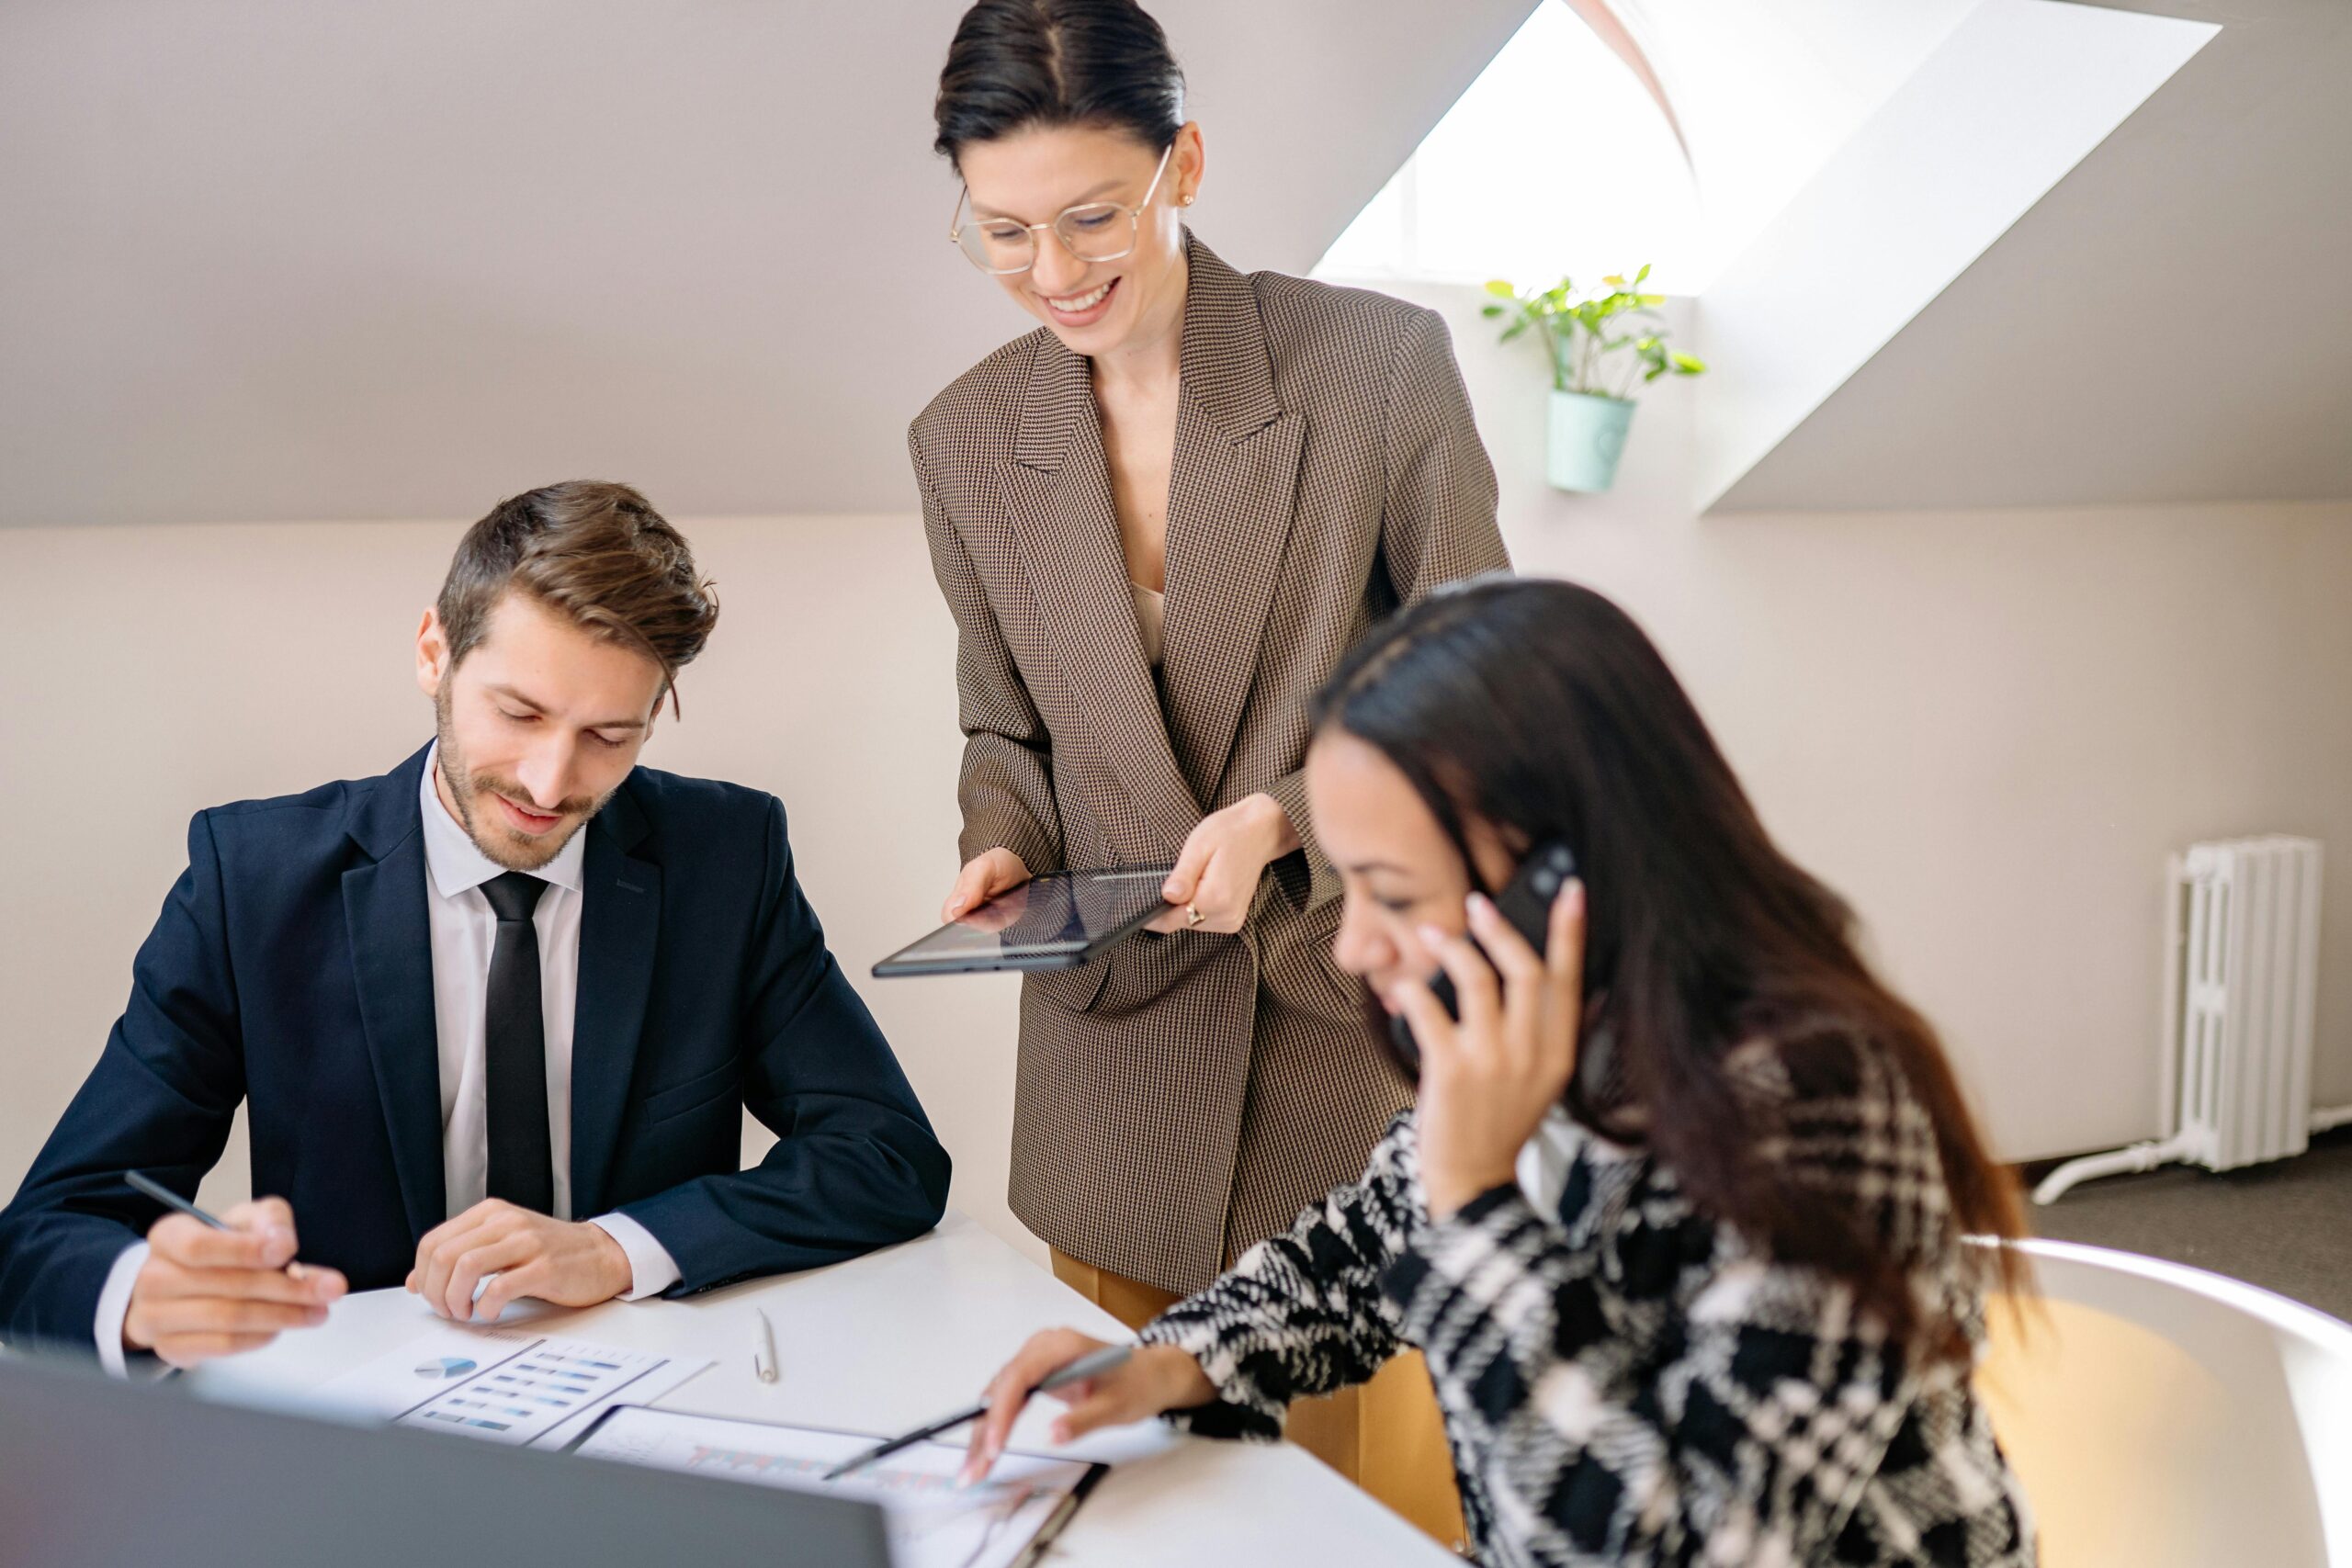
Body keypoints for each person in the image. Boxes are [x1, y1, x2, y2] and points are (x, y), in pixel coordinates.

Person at [963, 579, 2039, 1567]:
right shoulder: (1533, 1032)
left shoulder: (1812, 1106)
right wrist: (1167, 1364)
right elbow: (1359, 1253)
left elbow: (1689, 1554)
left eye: (1391, 892)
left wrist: (1476, 1203)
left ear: (1564, 880)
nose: (1354, 947)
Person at [910, 0, 1508, 1535]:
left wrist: (1291, 819)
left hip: (1345, 1023)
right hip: (1117, 1056)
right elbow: (1005, 725)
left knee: (1379, 1516)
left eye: (1092, 216)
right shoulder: (962, 439)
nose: (1055, 271)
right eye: (1003, 231)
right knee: (1133, 1507)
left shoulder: (1376, 366)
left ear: (1183, 163)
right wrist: (999, 839)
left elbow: (1488, 687)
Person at [0, 481, 950, 1371]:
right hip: (360, 1413)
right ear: (434, 654)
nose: (549, 782)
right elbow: (43, 1233)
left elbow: (886, 1155)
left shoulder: (727, 859)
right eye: (519, 713)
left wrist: (614, 1249)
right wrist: (141, 1295)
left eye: (608, 736)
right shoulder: (251, 881)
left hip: (647, 1394)